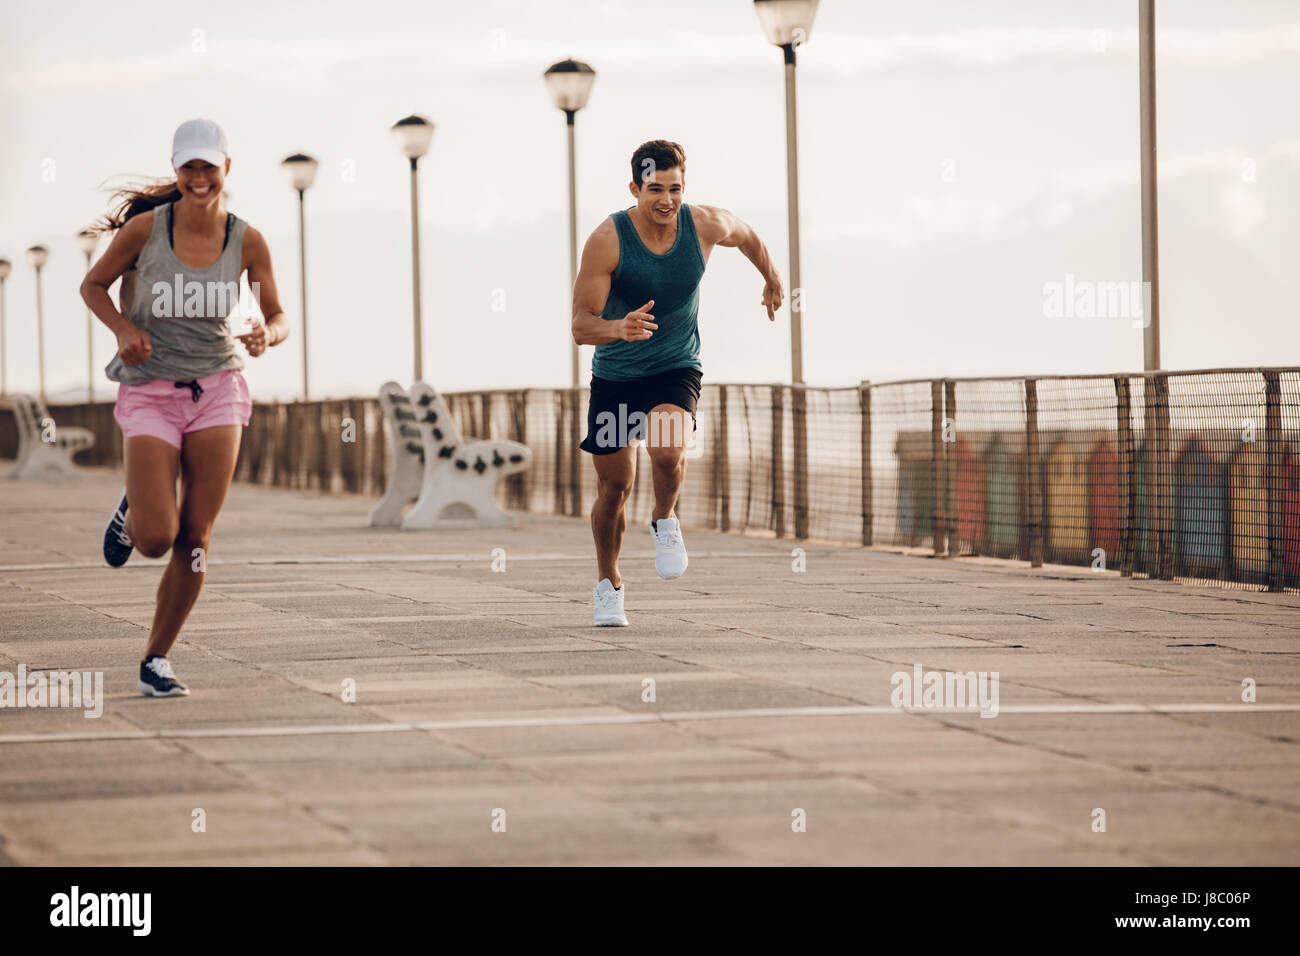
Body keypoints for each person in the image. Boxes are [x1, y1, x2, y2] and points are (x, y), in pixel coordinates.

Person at [80, 118, 289, 696]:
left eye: (209, 166)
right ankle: (136, 510)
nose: (199, 177)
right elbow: (92, 286)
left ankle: (157, 658)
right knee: (154, 539)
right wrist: (123, 329)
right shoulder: (145, 232)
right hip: (150, 389)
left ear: (227, 169)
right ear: (177, 171)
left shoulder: (246, 240)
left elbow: (280, 316)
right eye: (189, 167)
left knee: (194, 538)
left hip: (218, 387)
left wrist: (265, 336)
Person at [571, 139, 783, 626]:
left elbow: (747, 234)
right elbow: (580, 326)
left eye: (674, 188)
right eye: (654, 189)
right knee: (614, 488)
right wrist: (616, 328)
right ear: (635, 188)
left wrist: (771, 278)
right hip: (617, 374)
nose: (665, 199)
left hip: (675, 365)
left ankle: (665, 517)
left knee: (667, 449)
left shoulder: (704, 224)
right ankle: (609, 583)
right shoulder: (608, 238)